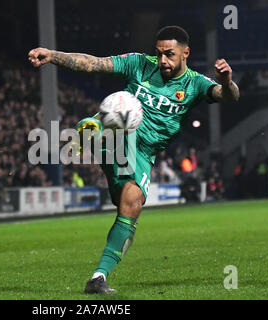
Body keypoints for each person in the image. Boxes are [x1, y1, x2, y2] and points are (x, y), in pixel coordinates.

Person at [28, 25, 240, 294]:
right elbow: (95, 64)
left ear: (185, 53)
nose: (162, 59)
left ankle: (98, 277)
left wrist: (226, 81)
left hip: (143, 154)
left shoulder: (195, 84)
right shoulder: (140, 64)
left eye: (170, 54)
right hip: (124, 136)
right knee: (126, 105)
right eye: (159, 53)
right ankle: (94, 128)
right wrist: (52, 55)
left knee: (132, 204)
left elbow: (229, 96)